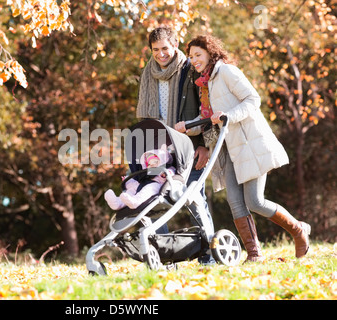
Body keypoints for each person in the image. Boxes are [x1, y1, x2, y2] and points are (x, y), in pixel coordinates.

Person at [185, 34, 310, 261]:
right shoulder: (205, 83)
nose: (194, 59)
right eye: (191, 56)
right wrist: (186, 127)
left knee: (255, 201)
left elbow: (253, 99)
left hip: (249, 143)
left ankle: (298, 230)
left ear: (210, 52)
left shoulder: (226, 72)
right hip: (227, 148)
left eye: (198, 54)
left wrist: (229, 116)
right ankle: (254, 254)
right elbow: (207, 118)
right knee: (235, 202)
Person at [136, 26, 215, 264]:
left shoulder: (191, 70)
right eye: (155, 49)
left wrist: (204, 145)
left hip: (189, 145)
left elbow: (205, 109)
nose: (161, 54)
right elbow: (145, 118)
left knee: (193, 198)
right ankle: (165, 256)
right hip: (159, 149)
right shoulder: (148, 74)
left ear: (176, 44)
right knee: (156, 201)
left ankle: (209, 255)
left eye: (165, 48)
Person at [105, 147, 175, 210]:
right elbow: (140, 181)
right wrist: (127, 180)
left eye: (155, 162)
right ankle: (117, 203)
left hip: (156, 185)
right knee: (133, 188)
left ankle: (135, 202)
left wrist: (165, 174)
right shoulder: (148, 173)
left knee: (147, 189)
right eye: (149, 164)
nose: (151, 165)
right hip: (143, 183)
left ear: (162, 161)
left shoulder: (167, 169)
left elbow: (171, 173)